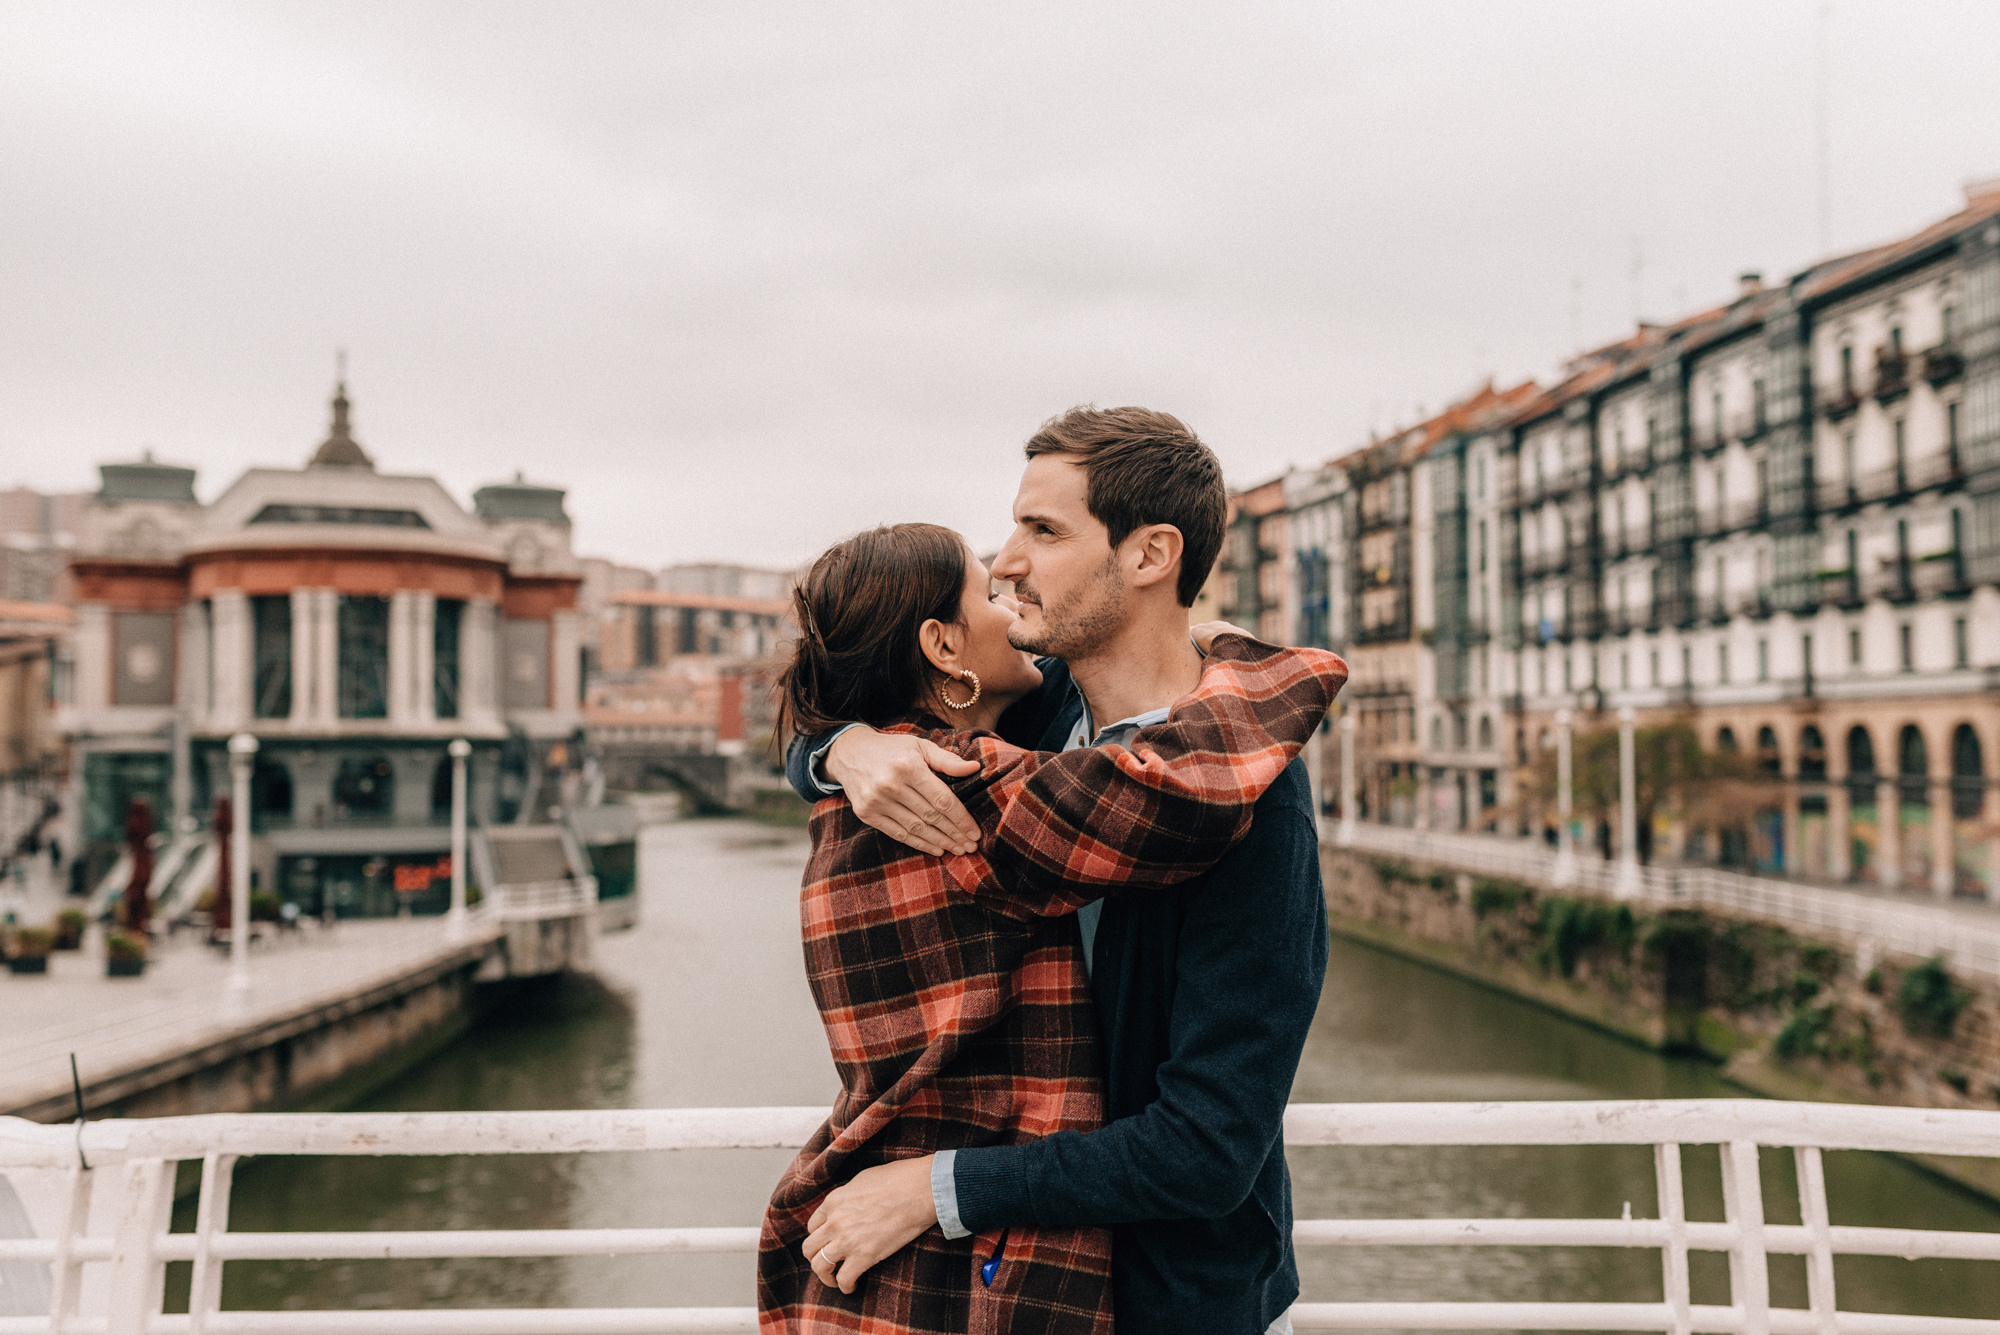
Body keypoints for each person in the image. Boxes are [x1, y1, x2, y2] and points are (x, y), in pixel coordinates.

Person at [788, 407, 1336, 1335]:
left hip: (1169, 1305)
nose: (1005, 561)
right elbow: (863, 687)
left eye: (1043, 530)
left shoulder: (1255, 806)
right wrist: (841, 749)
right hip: (1007, 1294)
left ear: (1150, 553)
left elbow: (1207, 1148)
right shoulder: (1025, 731)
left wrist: (942, 1186)